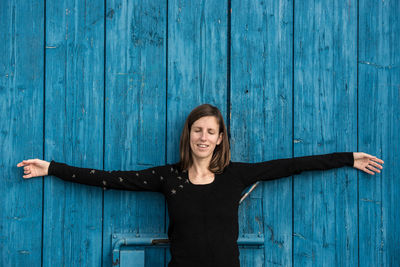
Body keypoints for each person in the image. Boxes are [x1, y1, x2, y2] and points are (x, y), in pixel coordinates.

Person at [17, 103, 384, 267]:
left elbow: (294, 165)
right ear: (189, 135)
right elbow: (111, 179)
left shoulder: (236, 176)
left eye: (211, 132)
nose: (203, 138)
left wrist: (349, 158)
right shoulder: (168, 178)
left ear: (221, 138)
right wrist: (51, 168)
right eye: (198, 130)